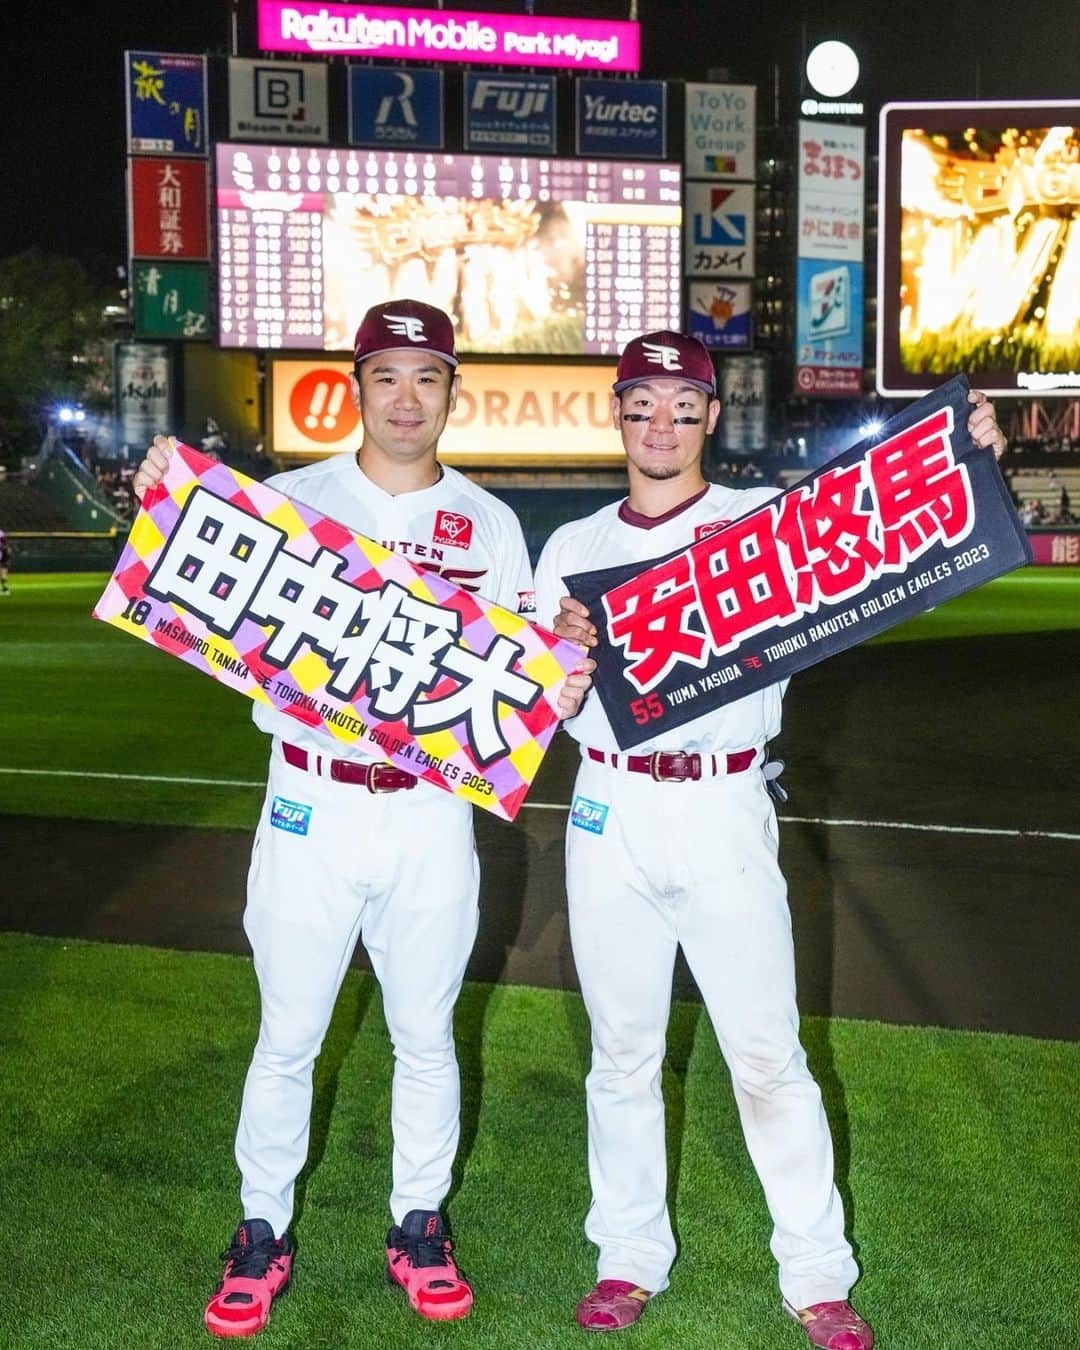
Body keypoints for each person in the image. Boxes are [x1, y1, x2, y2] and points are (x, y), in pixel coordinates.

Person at [536, 331, 1007, 1347]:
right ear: (614, 413)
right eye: (641, 403)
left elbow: (890, 533)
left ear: (712, 415)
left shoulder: (758, 525)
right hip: (607, 809)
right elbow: (541, 701)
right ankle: (628, 1257)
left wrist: (968, 454)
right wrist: (559, 665)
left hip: (721, 805)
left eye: (682, 404)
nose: (660, 423)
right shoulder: (571, 547)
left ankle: (816, 1275)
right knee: (621, 1055)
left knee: (765, 1052)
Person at [132, 299, 592, 1339]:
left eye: (427, 377)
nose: (406, 397)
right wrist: (164, 489)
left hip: (430, 815)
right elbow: (191, 569)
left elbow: (514, 681)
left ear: (451, 394)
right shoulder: (287, 499)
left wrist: (554, 681)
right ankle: (261, 1228)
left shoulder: (489, 522)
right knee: (288, 1035)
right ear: (356, 387)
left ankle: (418, 1224)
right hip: (310, 801)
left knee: (426, 1035)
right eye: (387, 375)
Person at [0, 528, 11, 595]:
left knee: (3, 572)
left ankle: (5, 589)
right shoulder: (1, 532)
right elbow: (5, 542)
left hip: (2, 553)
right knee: (3, 572)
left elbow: (4, 542)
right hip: (4, 553)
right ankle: (5, 589)